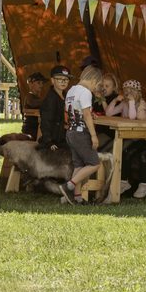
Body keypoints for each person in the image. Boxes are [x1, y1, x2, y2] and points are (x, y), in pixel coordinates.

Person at [57, 65, 102, 205]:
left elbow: (70, 110)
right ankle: (69, 186)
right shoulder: (86, 92)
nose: (96, 88)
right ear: (93, 79)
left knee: (78, 166)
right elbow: (87, 114)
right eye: (97, 84)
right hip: (81, 133)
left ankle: (76, 197)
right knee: (94, 163)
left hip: (70, 132)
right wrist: (94, 135)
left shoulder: (71, 90)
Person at [37, 65, 69, 153]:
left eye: (66, 79)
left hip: (64, 137)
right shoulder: (50, 100)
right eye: (59, 79)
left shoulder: (67, 97)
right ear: (52, 80)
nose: (63, 82)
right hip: (55, 141)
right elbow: (45, 122)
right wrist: (49, 142)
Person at [20, 72, 46, 139]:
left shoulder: (37, 97)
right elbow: (33, 103)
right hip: (31, 129)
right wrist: (48, 102)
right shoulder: (29, 96)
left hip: (37, 128)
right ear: (31, 84)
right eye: (38, 83)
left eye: (42, 83)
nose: (41, 85)